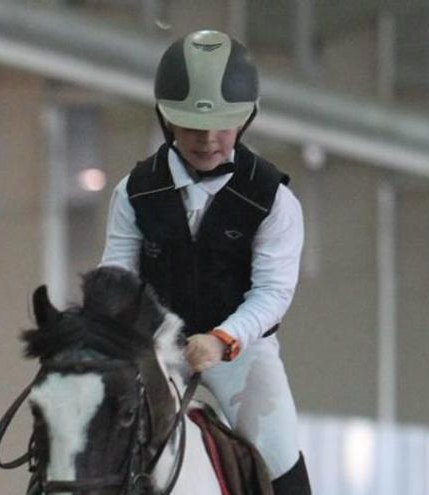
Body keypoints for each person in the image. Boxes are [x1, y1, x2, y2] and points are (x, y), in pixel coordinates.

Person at [100, 29, 311, 494]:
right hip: (154, 352)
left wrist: (222, 340)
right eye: (193, 126)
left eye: (223, 125)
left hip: (241, 355)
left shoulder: (273, 200)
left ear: (245, 120)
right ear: (167, 120)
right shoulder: (132, 192)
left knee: (280, 457)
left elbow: (272, 292)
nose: (209, 139)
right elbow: (117, 279)